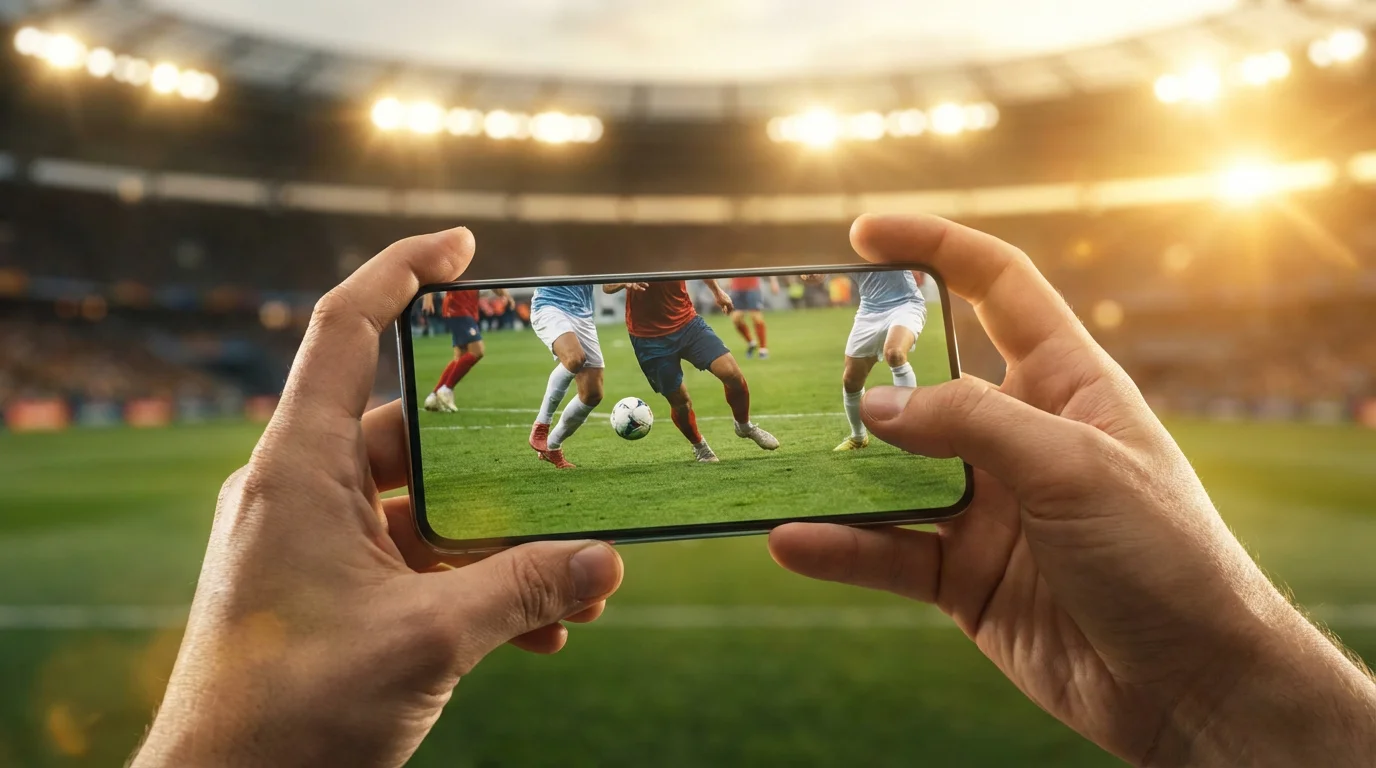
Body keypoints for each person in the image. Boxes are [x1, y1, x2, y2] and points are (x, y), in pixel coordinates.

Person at [132, 218, 1376, 768]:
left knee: (725, 383)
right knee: (663, 400)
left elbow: (715, 302)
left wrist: (1217, 692)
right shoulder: (618, 303)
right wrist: (1219, 702)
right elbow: (641, 306)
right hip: (641, 353)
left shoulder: (692, 299)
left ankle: (720, 429)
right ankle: (678, 445)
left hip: (686, 339)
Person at [604, 279, 778, 463]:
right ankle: (699, 446)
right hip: (649, 338)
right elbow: (606, 286)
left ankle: (744, 426)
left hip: (688, 324)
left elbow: (698, 266)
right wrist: (624, 282)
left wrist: (717, 291)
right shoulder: (630, 260)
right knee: (680, 402)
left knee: (732, 375)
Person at [808, 270, 927, 452]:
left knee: (894, 353)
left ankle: (910, 432)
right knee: (851, 379)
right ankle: (858, 437)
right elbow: (819, 272)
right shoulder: (842, 252)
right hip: (869, 310)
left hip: (905, 305)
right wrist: (811, 275)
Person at [527, 284, 605, 469]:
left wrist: (625, 281)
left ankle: (552, 446)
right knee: (575, 358)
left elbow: (608, 286)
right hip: (550, 305)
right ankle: (541, 424)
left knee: (592, 394)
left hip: (582, 314)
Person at [421, 287, 510, 413]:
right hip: (459, 308)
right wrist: (428, 296)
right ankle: (446, 389)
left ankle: (434, 396)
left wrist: (504, 295)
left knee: (460, 357)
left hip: (462, 309)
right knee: (477, 351)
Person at [727, 275, 780, 359]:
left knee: (756, 316)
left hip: (753, 287)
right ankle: (751, 343)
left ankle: (763, 349)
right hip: (737, 288)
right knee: (736, 318)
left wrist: (773, 281)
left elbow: (766, 266)